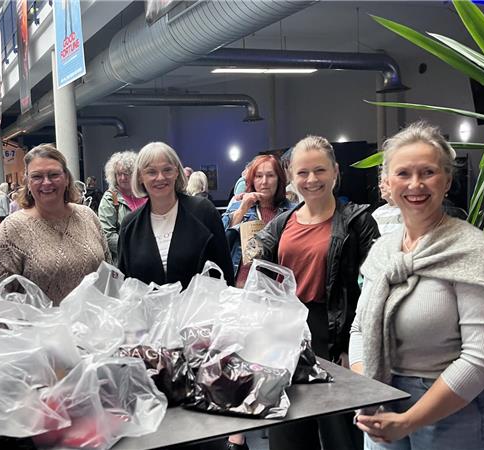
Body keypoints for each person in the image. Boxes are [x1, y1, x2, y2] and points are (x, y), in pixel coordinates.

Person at [350, 121, 484, 450]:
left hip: (455, 412)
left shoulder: (472, 250)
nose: (415, 184)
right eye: (403, 174)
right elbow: (360, 327)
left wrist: (409, 420)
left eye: (428, 172)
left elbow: (483, 356)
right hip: (383, 402)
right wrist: (369, 391)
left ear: (447, 180)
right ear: (386, 183)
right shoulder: (382, 252)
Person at [248, 135, 379, 450]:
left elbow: (373, 290)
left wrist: (353, 346)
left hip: (334, 336)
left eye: (319, 171)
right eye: (302, 172)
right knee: (288, 433)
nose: (311, 180)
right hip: (286, 339)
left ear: (335, 171)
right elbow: (262, 287)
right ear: (291, 176)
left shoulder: (357, 222)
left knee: (341, 436)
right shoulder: (280, 226)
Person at [0, 144, 110, 305]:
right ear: (27, 181)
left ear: (67, 178)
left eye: (54, 174)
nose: (46, 182)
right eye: (37, 176)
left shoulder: (87, 216)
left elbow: (108, 275)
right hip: (38, 329)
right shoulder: (11, 229)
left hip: (94, 327)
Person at [118, 142, 233, 289]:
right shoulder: (129, 226)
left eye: (167, 170)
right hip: (148, 312)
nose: (160, 178)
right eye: (151, 172)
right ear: (140, 177)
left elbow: (225, 273)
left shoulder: (203, 212)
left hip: (198, 311)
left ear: (177, 172)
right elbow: (125, 285)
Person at [221, 154, 292, 287]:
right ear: (252, 180)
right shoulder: (238, 207)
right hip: (241, 286)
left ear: (279, 179)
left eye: (270, 175)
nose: (264, 181)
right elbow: (220, 244)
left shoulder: (291, 212)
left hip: (275, 289)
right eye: (259, 176)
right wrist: (242, 210)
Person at [97, 151, 147, 264]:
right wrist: (134, 249)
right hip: (126, 261)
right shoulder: (110, 198)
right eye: (119, 174)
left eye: (127, 173)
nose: (123, 178)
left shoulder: (146, 193)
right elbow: (108, 235)